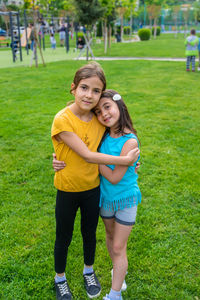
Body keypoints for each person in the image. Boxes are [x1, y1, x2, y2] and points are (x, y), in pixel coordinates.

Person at [51, 62, 140, 300]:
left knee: (89, 233)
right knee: (64, 236)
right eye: (84, 88)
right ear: (73, 88)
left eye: (96, 91)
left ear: (102, 93)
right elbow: (88, 154)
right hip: (67, 189)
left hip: (93, 190)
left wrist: (130, 161)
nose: (89, 95)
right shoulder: (62, 119)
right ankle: (60, 278)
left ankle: (88, 271)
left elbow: (110, 142)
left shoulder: (97, 118)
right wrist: (125, 161)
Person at [94, 90, 141, 300]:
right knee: (110, 237)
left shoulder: (130, 141)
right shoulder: (102, 135)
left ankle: (114, 295)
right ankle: (118, 272)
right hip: (105, 199)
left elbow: (114, 177)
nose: (103, 114)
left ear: (119, 106)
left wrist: (92, 158)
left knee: (118, 246)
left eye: (107, 107)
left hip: (125, 199)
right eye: (98, 111)